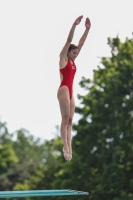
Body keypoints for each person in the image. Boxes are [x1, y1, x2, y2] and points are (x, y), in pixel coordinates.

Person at [57, 15, 91, 161]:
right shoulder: (63, 59)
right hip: (64, 89)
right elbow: (69, 41)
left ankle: (69, 148)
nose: (76, 55)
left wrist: (87, 29)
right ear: (68, 52)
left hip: (71, 92)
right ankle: (65, 147)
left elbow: (81, 43)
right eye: (74, 52)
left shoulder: (73, 61)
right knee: (64, 119)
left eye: (77, 53)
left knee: (70, 121)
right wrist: (75, 25)